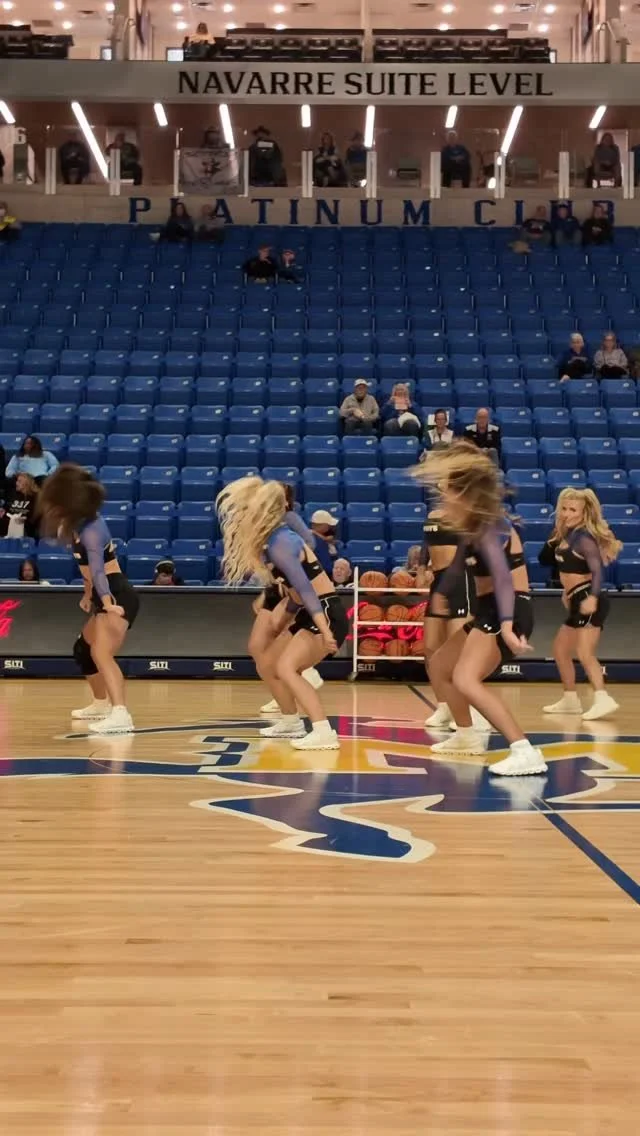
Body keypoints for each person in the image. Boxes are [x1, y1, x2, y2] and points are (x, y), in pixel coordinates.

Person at [412, 441, 547, 776]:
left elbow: (502, 579)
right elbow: (457, 566)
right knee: (441, 665)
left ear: (464, 494)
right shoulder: (472, 526)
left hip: (508, 608)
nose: (442, 497)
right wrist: (441, 593)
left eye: (447, 490)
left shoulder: (491, 526)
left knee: (466, 678)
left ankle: (524, 749)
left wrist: (507, 626)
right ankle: (466, 735)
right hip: (491, 608)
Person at [217, 477, 349, 750]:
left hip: (325, 611)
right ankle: (291, 721)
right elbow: (296, 595)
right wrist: (283, 616)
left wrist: (326, 632)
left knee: (287, 668)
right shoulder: (272, 540)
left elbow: (307, 591)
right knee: (267, 662)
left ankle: (323, 731)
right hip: (307, 611)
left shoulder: (282, 542)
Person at [37, 464, 140, 734]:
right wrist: (87, 595)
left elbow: (98, 571)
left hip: (116, 593)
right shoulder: (76, 526)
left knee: (101, 653)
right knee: (83, 650)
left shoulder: (92, 530)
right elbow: (86, 572)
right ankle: (100, 704)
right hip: (102, 593)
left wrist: (105, 602)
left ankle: (121, 714)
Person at [541, 488, 622, 722]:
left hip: (588, 598)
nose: (567, 513)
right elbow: (546, 560)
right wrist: (567, 591)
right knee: (560, 649)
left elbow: (597, 572)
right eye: (564, 509)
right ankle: (570, 700)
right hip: (576, 598)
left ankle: (603, 698)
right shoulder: (566, 535)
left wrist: (592, 598)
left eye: (573, 510)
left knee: (585, 653)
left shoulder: (584, 538)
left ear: (584, 513)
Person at [251, 486, 324, 717]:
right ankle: (282, 692)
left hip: (289, 585)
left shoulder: (289, 518)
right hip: (274, 585)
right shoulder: (262, 523)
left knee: (280, 637)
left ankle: (303, 675)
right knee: (257, 646)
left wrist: (289, 567)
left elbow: (309, 543)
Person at [415, 502, 479, 732]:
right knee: (431, 647)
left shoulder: (467, 512)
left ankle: (466, 709)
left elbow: (469, 550)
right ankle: (443, 705)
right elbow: (427, 543)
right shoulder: (433, 512)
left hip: (460, 580)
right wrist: (422, 568)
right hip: (438, 579)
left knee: (457, 650)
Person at [0, 473, 39, 539]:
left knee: (17, 524)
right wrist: (3, 510)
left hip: (24, 525)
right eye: (17, 481)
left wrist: (25, 519)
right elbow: (7, 508)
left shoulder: (36, 497)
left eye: (19, 481)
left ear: (27, 483)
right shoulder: (14, 495)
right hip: (9, 523)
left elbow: (36, 516)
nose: (16, 483)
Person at [309, 509, 340, 576]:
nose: (330, 527)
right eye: (328, 525)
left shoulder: (325, 539)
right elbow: (327, 567)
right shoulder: (318, 542)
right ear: (320, 525)